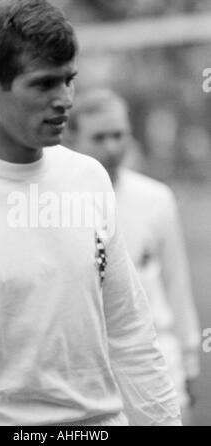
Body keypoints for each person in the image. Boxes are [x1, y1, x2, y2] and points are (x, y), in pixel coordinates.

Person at [0, 0, 181, 426]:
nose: (65, 100)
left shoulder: (88, 178)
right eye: (44, 84)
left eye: (69, 80)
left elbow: (130, 332)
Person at [68, 88, 201, 424]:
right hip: (89, 379)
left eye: (118, 135)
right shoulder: (54, 207)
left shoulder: (155, 199)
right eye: (98, 137)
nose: (111, 147)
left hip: (156, 365)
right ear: (71, 140)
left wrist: (188, 359)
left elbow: (176, 284)